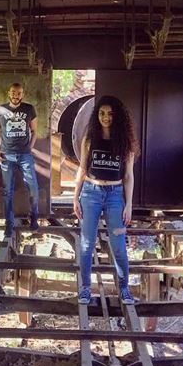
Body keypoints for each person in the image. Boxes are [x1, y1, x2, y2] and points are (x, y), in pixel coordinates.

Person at [73, 96, 139, 305]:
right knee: (86, 244)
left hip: (114, 196)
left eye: (110, 114)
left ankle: (124, 289)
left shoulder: (125, 143)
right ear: (96, 115)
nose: (106, 117)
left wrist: (128, 204)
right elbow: (82, 170)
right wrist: (76, 197)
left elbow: (128, 176)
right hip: (90, 193)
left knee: (118, 245)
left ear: (117, 116)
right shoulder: (89, 140)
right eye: (102, 113)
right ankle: (84, 289)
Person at [0, 82, 40, 237]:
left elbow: (34, 131)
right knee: (7, 192)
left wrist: (29, 148)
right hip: (7, 155)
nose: (15, 95)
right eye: (13, 92)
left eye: (18, 93)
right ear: (8, 93)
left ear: (22, 94)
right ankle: (9, 224)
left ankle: (34, 218)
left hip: (25, 155)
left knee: (34, 189)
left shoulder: (29, 109)